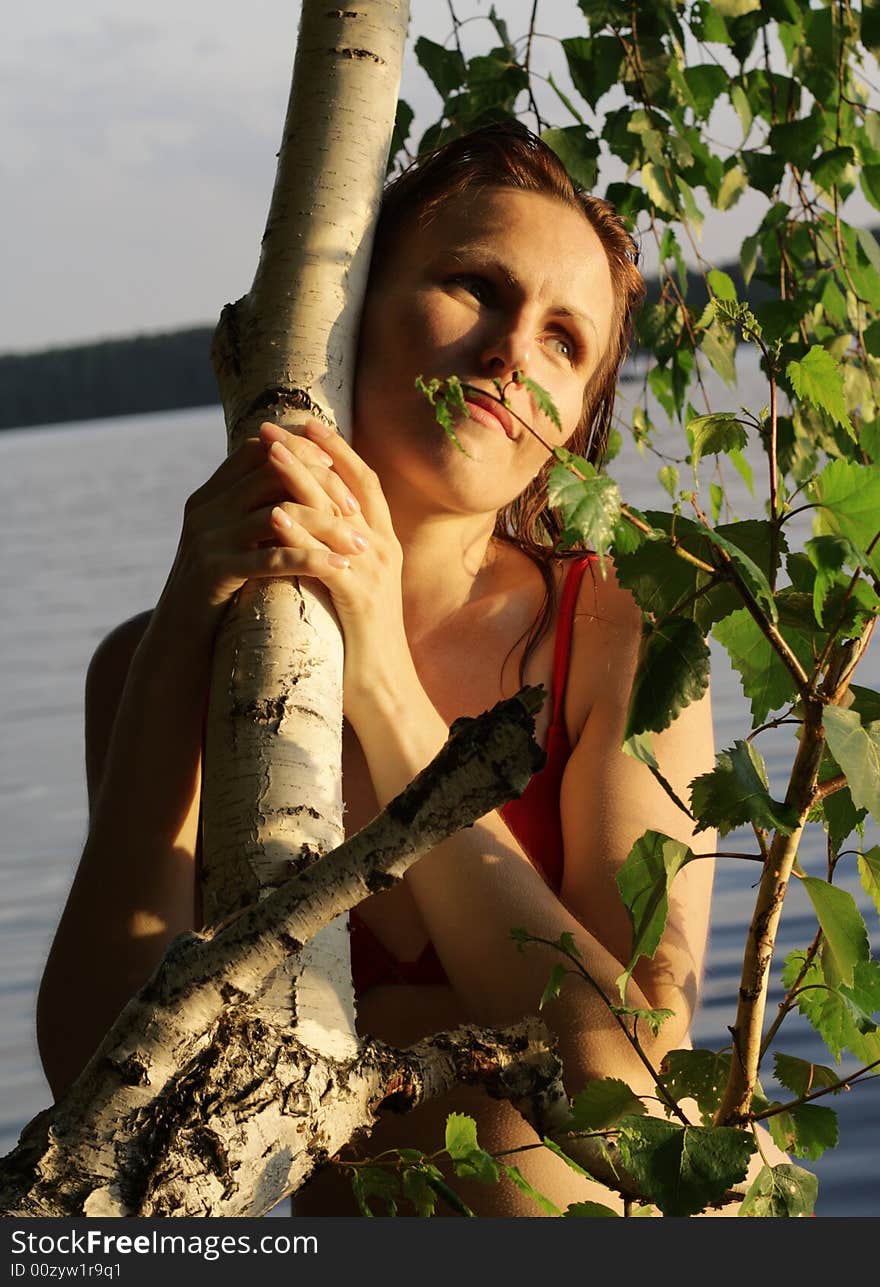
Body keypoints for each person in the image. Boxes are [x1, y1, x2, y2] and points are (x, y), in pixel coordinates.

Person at [37, 124, 721, 1216]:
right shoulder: (157, 661)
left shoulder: (617, 640)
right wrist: (178, 635)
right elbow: (92, 1083)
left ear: (580, 418)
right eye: (473, 288)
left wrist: (384, 687)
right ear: (348, 317)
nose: (512, 355)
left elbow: (626, 1085)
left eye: (564, 342)